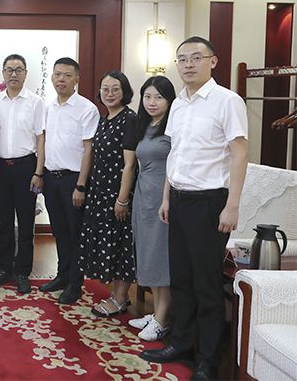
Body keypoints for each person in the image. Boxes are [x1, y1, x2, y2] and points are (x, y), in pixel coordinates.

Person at [141, 36, 248, 381]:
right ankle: (181, 343)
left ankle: (207, 359)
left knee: (206, 284)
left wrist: (232, 205)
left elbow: (240, 153)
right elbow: (175, 154)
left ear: (213, 61)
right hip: (179, 199)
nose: (188, 64)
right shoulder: (179, 104)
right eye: (182, 59)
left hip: (209, 202)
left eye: (196, 58)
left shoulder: (227, 101)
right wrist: (167, 198)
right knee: (181, 278)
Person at [38, 57, 99, 304]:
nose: (61, 79)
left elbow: (89, 149)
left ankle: (75, 283)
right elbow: (43, 141)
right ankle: (62, 276)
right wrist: (40, 174)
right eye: (57, 74)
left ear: (76, 79)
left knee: (75, 233)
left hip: (73, 180)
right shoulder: (49, 107)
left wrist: (81, 185)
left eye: (66, 75)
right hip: (51, 178)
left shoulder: (86, 109)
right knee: (59, 231)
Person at [78, 71, 138, 316]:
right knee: (107, 243)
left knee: (120, 244)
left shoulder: (129, 119)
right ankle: (116, 295)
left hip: (117, 193)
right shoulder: (104, 119)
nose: (110, 94)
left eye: (115, 89)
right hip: (99, 192)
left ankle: (121, 298)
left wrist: (122, 199)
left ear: (125, 92)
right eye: (105, 89)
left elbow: (130, 165)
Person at [0, 54, 45, 294]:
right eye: (9, 69)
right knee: (4, 221)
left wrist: (39, 171)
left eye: (18, 69)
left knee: (25, 222)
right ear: (3, 73)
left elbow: (41, 138)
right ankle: (4, 268)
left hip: (26, 168)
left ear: (25, 73)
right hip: (0, 168)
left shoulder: (36, 102)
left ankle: (22, 272)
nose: (14, 74)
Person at [128, 75, 176, 341]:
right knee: (147, 253)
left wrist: (166, 199)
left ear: (169, 100)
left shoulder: (173, 127)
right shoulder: (146, 126)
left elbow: (175, 166)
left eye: (159, 97)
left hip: (161, 197)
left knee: (160, 256)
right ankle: (157, 313)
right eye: (147, 96)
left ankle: (162, 319)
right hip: (143, 195)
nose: (152, 102)